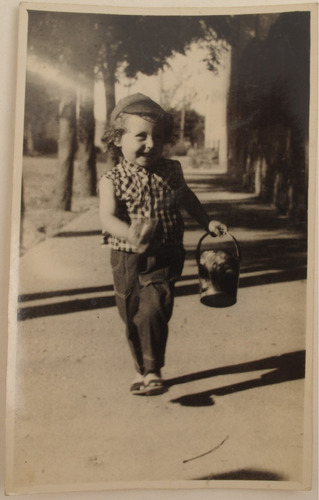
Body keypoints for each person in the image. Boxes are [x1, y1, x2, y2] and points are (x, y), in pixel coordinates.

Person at [99, 93, 227, 396]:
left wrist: (206, 221)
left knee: (155, 308)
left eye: (158, 137)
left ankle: (153, 370)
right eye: (141, 136)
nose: (151, 144)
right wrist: (130, 233)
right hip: (126, 257)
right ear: (118, 138)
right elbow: (106, 218)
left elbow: (187, 198)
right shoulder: (111, 179)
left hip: (166, 253)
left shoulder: (171, 170)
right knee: (131, 315)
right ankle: (140, 369)